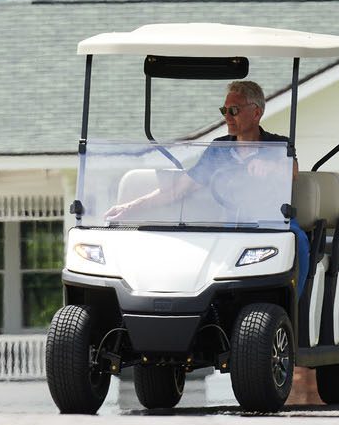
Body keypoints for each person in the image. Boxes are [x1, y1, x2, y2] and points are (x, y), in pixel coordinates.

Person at [105, 81, 310, 295]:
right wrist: (129, 207)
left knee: (299, 241)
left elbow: (292, 171)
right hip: (232, 226)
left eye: (234, 110)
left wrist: (271, 165)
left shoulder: (277, 145)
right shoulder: (218, 150)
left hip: (274, 222)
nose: (227, 117)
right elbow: (179, 189)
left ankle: (294, 306)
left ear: (256, 112)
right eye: (225, 110)